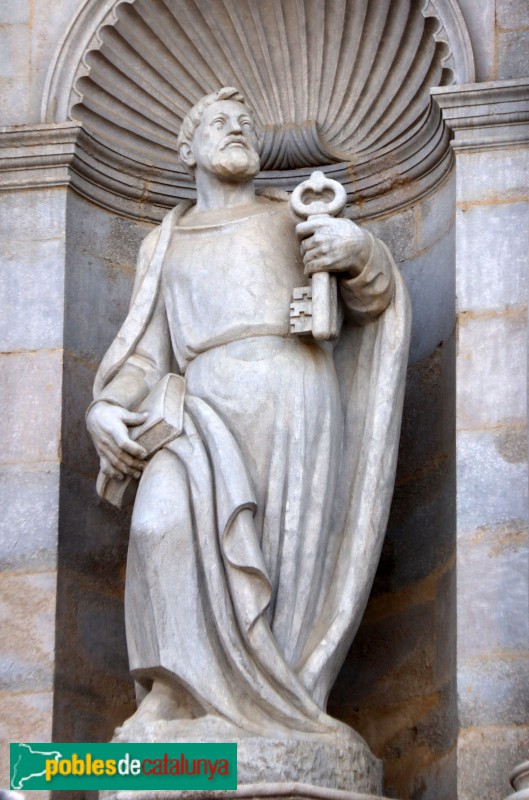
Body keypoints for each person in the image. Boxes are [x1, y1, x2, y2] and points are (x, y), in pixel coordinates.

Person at [86, 87, 411, 744]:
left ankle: (277, 705)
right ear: (186, 148)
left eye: (245, 123)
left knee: (279, 556)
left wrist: (357, 252)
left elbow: (372, 299)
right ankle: (173, 696)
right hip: (198, 407)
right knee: (157, 525)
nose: (237, 129)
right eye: (219, 122)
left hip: (291, 397)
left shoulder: (287, 218)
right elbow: (146, 353)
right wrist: (106, 408)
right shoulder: (165, 240)